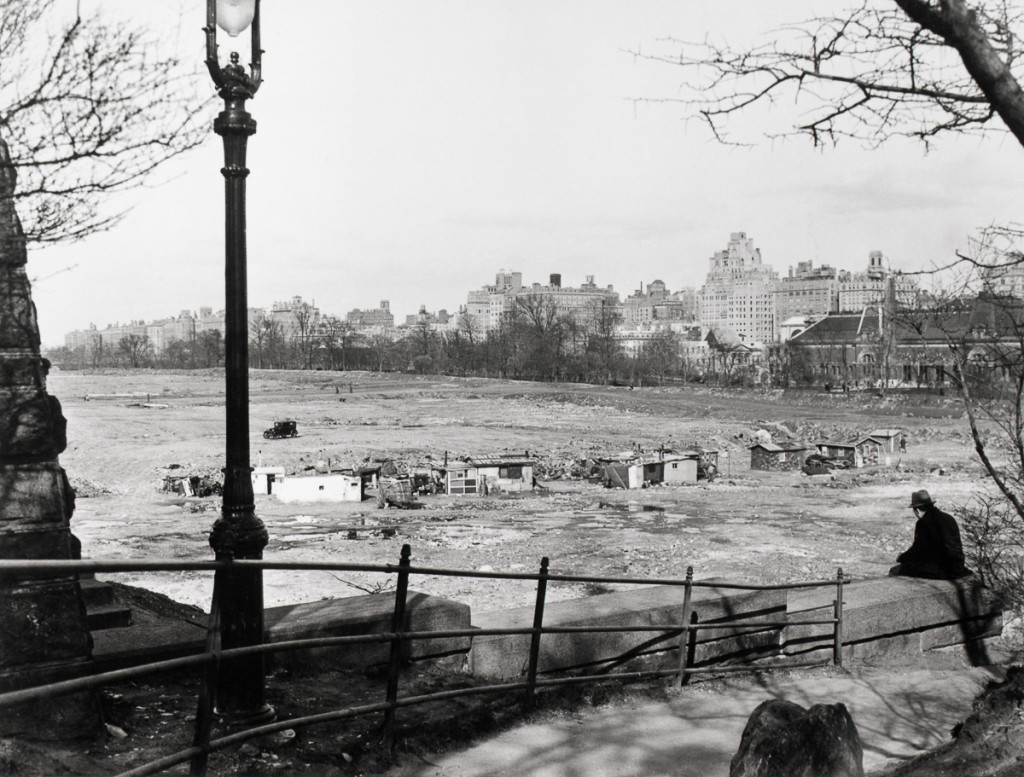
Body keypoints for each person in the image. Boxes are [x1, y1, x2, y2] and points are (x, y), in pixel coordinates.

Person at [889, 489, 971, 579]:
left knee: (895, 570)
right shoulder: (949, 518)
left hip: (942, 569)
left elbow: (918, 549)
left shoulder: (923, 523)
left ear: (916, 509)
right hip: (958, 566)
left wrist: (902, 557)